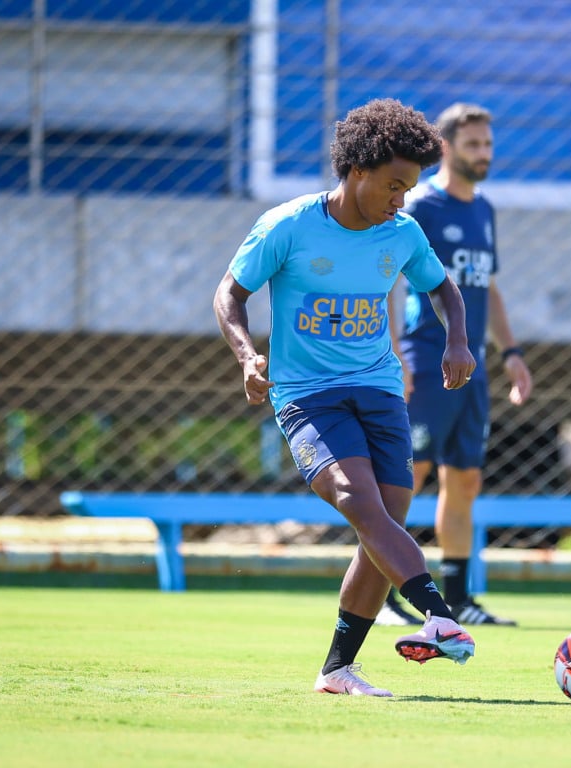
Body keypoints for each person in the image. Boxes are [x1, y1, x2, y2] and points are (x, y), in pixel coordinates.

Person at [212, 98, 478, 698]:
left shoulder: (403, 233)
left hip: (379, 389)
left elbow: (445, 291)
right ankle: (440, 614)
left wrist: (456, 342)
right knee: (361, 503)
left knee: (383, 522)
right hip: (307, 394)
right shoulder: (288, 226)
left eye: (408, 188)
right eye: (392, 185)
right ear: (357, 170)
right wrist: (248, 356)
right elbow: (229, 295)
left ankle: (337, 670)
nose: (401, 200)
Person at [377, 103, 533, 628]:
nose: (484, 154)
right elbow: (390, 279)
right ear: (446, 148)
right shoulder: (421, 206)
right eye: (473, 145)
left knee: (463, 482)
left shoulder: (483, 210)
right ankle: (380, 592)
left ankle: (460, 596)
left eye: (488, 144)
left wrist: (510, 353)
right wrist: (395, 352)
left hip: (473, 367)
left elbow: (486, 284)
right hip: (427, 357)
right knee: (406, 477)